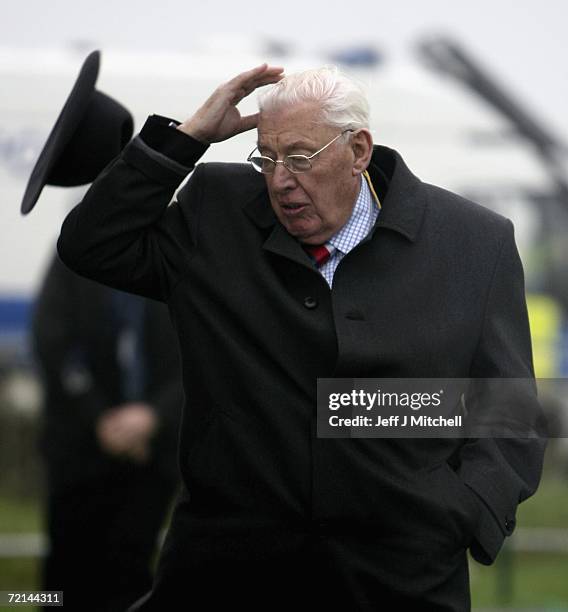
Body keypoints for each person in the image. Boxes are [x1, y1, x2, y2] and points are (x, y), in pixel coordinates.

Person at [56, 63, 546, 611]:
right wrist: (188, 137)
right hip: (224, 580)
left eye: (300, 156)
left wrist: (461, 515)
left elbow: (508, 413)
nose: (280, 180)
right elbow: (91, 246)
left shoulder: (474, 243)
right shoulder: (215, 211)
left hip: (400, 583)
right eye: (267, 157)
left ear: (358, 151)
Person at [32, 253, 183, 612]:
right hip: (77, 457)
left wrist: (152, 417)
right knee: (61, 583)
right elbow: (52, 341)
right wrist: (100, 419)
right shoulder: (71, 258)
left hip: (152, 458)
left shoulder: (174, 261)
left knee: (131, 576)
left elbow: (198, 355)